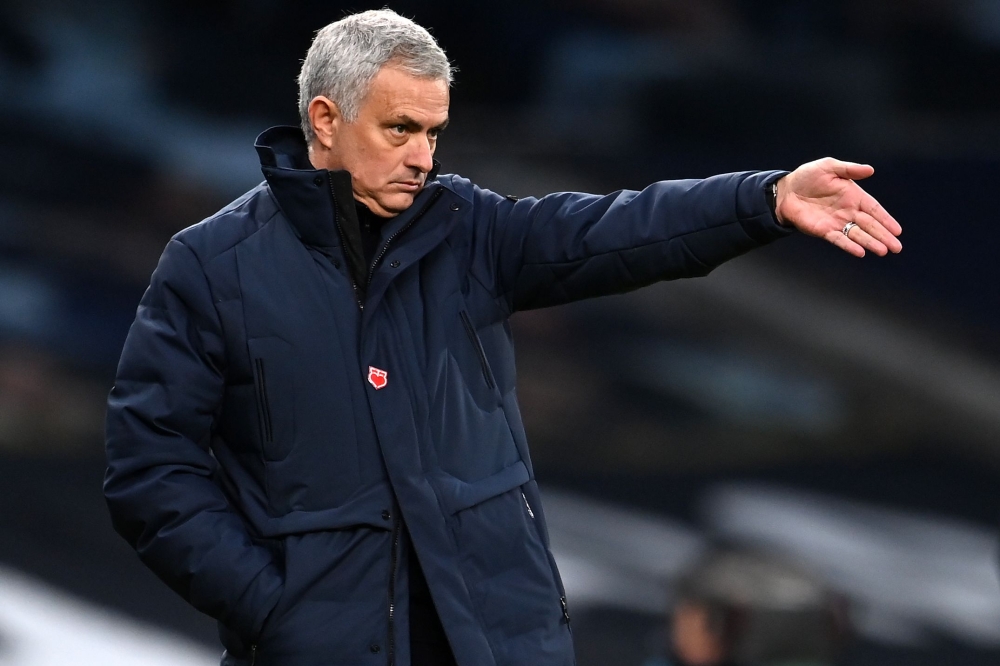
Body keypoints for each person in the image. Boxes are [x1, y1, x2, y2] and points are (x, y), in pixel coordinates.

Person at [103, 9, 901, 666]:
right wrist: (280, 610)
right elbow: (149, 473)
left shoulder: (467, 227)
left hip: (497, 638)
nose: (422, 157)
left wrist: (761, 200)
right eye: (401, 129)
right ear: (324, 119)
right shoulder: (212, 267)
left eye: (435, 133)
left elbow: (610, 230)